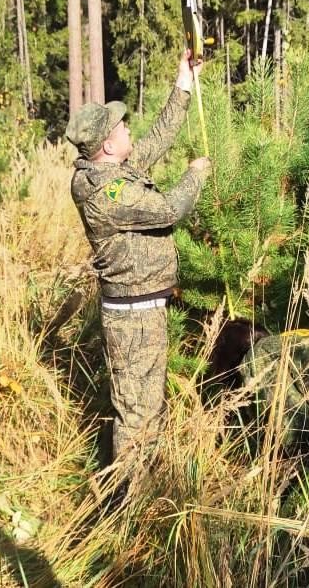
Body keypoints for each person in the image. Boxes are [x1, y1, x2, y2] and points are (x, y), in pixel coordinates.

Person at [66, 50, 211, 465]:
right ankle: (127, 499)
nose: (130, 129)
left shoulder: (113, 169)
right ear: (108, 144)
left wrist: (185, 79)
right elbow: (168, 209)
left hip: (143, 307)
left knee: (149, 406)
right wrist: (195, 175)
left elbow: (159, 138)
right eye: (123, 125)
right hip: (132, 317)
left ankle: (143, 487)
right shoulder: (107, 192)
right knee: (136, 413)